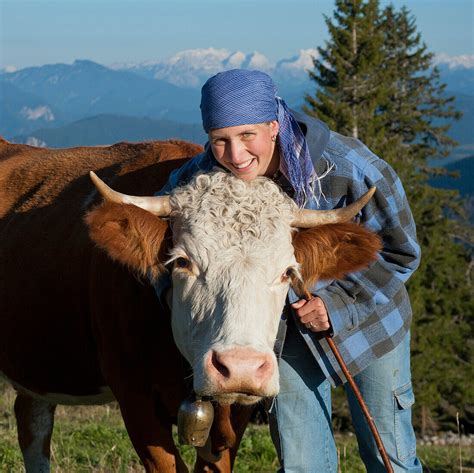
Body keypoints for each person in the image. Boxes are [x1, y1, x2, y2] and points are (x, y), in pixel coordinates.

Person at [157, 69, 422, 472]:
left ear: (274, 125)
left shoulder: (351, 168)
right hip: (282, 337)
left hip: (370, 325)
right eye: (219, 141)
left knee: (391, 458)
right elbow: (156, 243)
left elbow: (400, 254)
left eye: (248, 136)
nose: (236, 155)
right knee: (301, 462)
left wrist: (335, 306)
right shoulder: (199, 178)